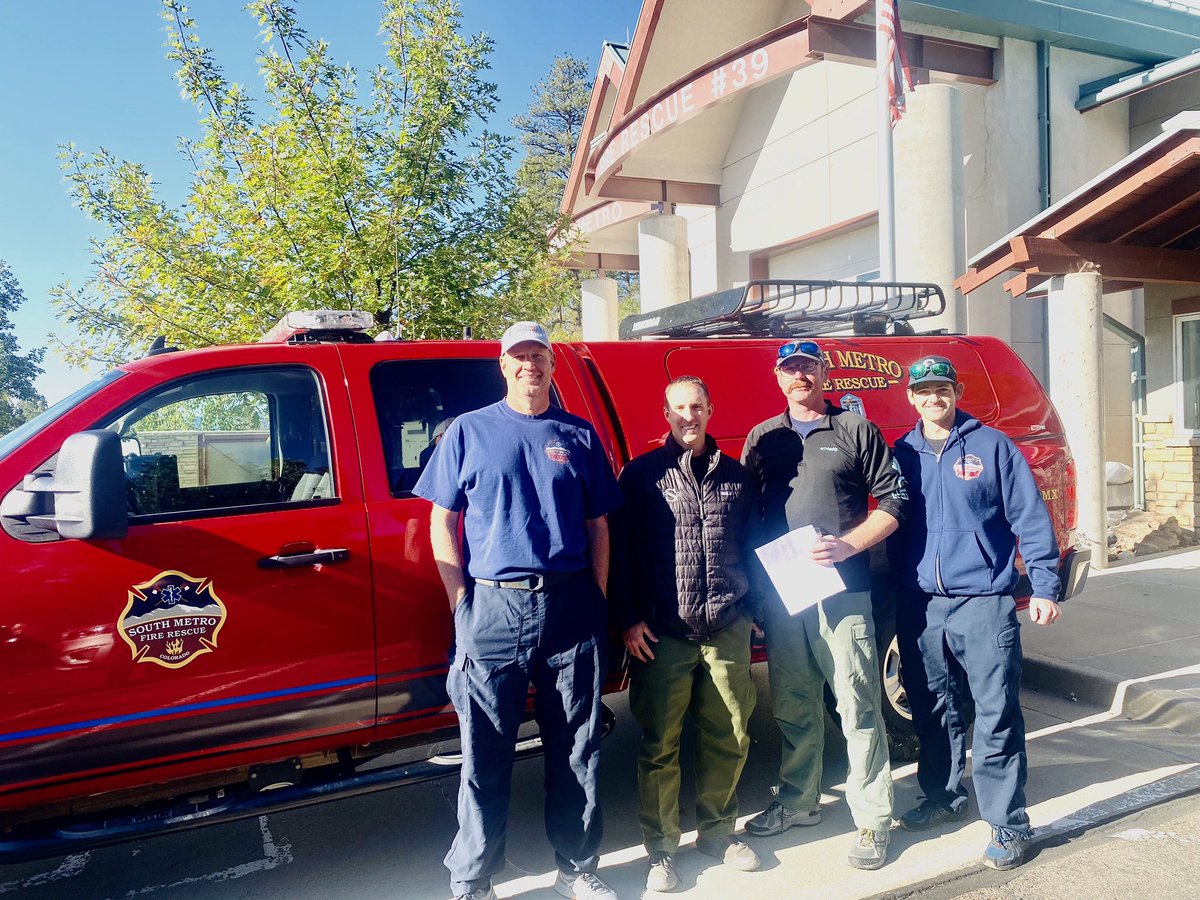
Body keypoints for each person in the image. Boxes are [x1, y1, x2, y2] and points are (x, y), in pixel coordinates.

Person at [414, 321, 623, 900]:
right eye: (519, 357)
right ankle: (474, 878)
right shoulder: (468, 432)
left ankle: (578, 867)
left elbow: (599, 524)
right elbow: (440, 521)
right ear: (502, 367)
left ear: (553, 366)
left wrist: (596, 599)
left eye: (539, 356)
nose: (530, 365)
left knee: (578, 747)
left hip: (570, 606)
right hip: (493, 609)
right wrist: (462, 603)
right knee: (483, 752)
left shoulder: (578, 436)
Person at [740, 339, 909, 871]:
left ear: (824, 372)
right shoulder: (761, 437)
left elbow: (896, 501)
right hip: (785, 591)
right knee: (793, 702)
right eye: (789, 369)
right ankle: (799, 802)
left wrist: (849, 545)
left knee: (857, 703)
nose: (799, 377)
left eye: (808, 367)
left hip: (845, 588)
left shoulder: (856, 430)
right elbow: (747, 513)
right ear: (778, 377)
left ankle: (873, 819)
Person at [889, 355, 1062, 870]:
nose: (932, 397)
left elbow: (1031, 519)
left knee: (995, 711)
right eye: (922, 390)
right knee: (931, 707)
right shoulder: (901, 452)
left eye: (941, 388)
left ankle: (1010, 826)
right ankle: (944, 798)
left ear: (956, 391)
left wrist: (1046, 586)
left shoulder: (993, 446)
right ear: (911, 398)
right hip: (922, 604)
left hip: (984, 601)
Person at [612, 376, 762, 893]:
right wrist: (629, 618)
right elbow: (622, 553)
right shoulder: (641, 476)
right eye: (679, 408)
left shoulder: (739, 479)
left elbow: (754, 545)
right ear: (666, 415)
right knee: (660, 743)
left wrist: (753, 609)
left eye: (697, 406)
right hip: (663, 631)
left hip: (725, 625)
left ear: (711, 410)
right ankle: (662, 851)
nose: (689, 416)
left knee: (731, 733)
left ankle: (719, 833)